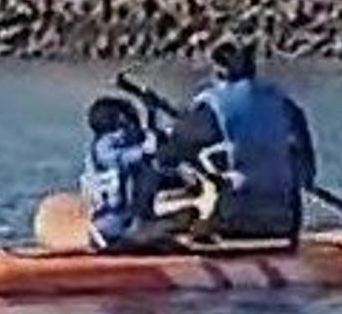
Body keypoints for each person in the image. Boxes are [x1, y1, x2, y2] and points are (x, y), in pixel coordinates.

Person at [154, 39, 315, 242]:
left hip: (235, 219)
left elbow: (167, 157)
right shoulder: (283, 101)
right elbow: (307, 171)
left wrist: (161, 134)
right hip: (286, 219)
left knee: (169, 193)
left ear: (218, 69)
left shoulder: (210, 104)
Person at [79, 95, 178, 251]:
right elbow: (149, 150)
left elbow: (143, 142)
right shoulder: (112, 151)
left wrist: (151, 114)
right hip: (117, 227)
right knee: (173, 227)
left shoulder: (97, 149)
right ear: (121, 121)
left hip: (100, 224)